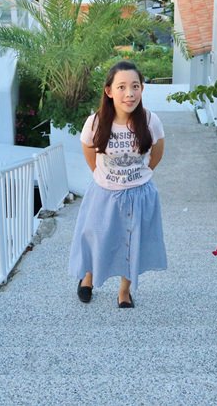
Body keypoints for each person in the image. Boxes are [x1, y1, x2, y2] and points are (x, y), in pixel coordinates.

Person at [68, 60, 167, 308]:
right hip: (104, 193)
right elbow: (89, 152)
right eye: (121, 87)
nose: (129, 93)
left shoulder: (150, 120)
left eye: (135, 86)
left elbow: (156, 154)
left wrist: (136, 177)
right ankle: (88, 278)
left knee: (132, 242)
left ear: (142, 89)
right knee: (96, 237)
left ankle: (125, 291)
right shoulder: (95, 122)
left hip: (139, 195)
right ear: (109, 91)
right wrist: (106, 178)